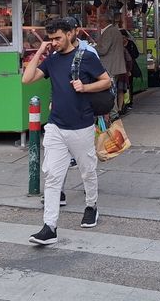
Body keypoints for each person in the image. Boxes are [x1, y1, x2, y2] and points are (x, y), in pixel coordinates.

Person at [22, 17, 111, 245]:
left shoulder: (87, 57)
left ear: (71, 33)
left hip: (81, 125)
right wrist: (41, 49)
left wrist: (85, 87)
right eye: (50, 39)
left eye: (58, 38)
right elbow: (27, 79)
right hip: (55, 126)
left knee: (87, 171)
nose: (54, 42)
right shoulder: (51, 60)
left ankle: (91, 205)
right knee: (52, 175)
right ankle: (49, 227)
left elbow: (106, 82)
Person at [95, 11, 127, 115]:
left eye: (99, 21)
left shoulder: (109, 32)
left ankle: (113, 114)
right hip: (115, 66)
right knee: (113, 89)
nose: (98, 23)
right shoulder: (115, 30)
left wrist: (92, 48)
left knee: (110, 91)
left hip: (110, 66)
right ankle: (114, 112)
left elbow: (103, 50)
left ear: (103, 21)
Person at [120, 29, 141, 112]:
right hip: (121, 67)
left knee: (129, 85)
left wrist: (130, 57)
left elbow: (136, 54)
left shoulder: (131, 44)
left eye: (123, 37)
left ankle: (129, 102)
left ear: (126, 37)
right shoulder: (117, 45)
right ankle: (123, 103)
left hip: (129, 67)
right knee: (122, 86)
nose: (122, 39)